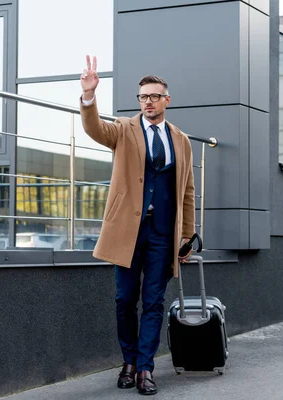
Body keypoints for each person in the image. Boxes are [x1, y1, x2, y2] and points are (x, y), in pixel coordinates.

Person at [79, 55, 196, 396]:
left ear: (166, 100)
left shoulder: (182, 140)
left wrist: (187, 234)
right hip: (127, 232)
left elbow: (187, 189)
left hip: (162, 232)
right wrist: (89, 97)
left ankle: (145, 368)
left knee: (154, 301)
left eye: (154, 96)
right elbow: (94, 129)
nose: (147, 102)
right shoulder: (123, 130)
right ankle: (129, 360)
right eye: (142, 97)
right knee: (124, 299)